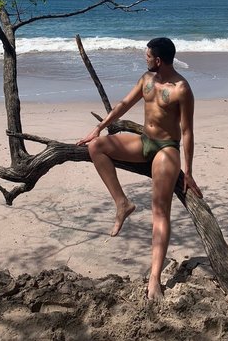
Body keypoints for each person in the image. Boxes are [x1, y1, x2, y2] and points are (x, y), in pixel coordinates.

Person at [76, 37, 203, 301]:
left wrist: (188, 172)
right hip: (144, 142)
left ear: (158, 60)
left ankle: (154, 278)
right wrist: (98, 128)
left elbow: (187, 132)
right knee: (96, 147)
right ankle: (122, 203)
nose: (145, 59)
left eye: (147, 56)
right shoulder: (146, 79)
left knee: (160, 211)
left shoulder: (182, 89)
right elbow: (123, 105)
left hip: (166, 149)